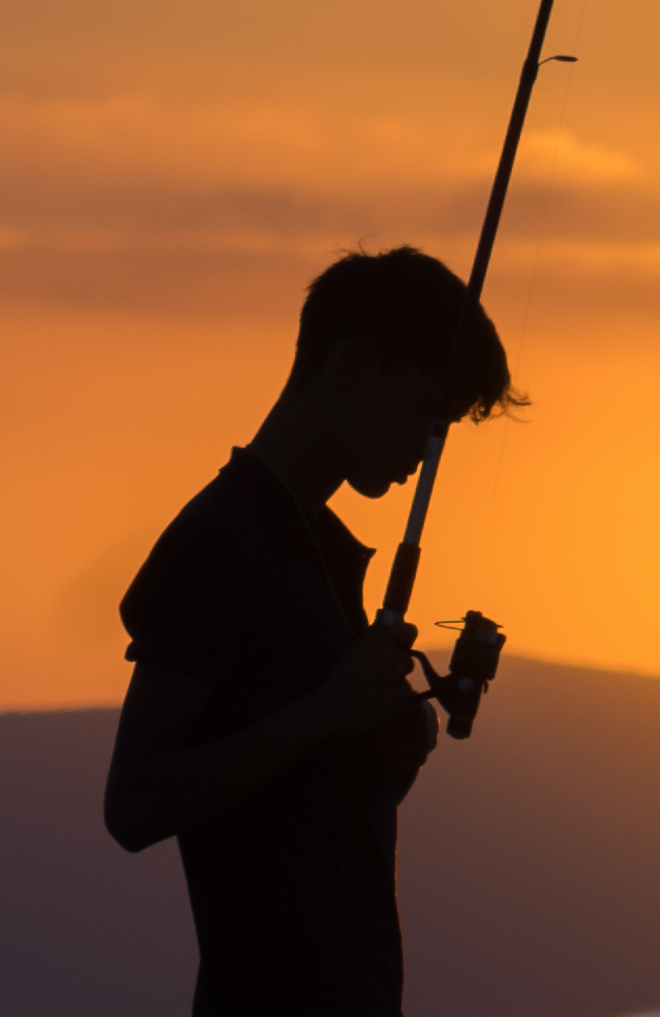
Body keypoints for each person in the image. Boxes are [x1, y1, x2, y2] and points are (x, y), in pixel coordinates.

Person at [105, 246, 522, 1016]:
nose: (427, 451)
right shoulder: (220, 541)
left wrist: (382, 760)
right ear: (353, 367)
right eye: (424, 413)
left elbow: (290, 813)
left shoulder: (317, 551)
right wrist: (331, 709)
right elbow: (132, 804)